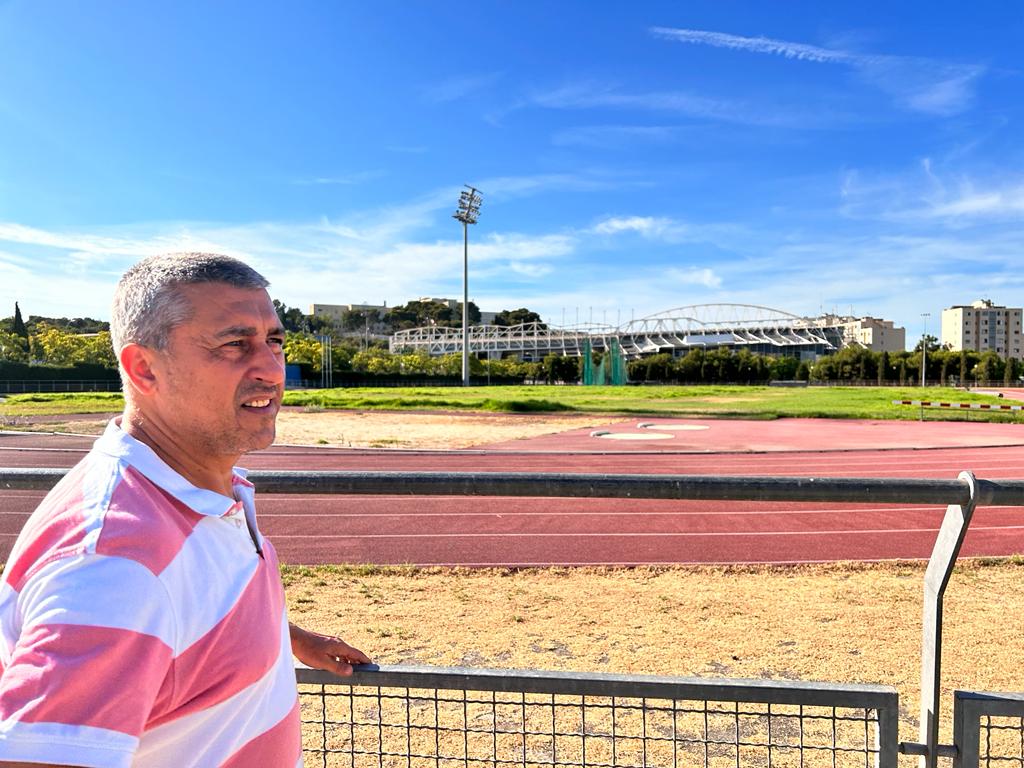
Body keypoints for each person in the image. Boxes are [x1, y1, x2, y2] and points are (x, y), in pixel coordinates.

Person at [0, 253, 370, 767]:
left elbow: (194, 607)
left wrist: (292, 640)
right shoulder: (113, 563)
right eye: (234, 344)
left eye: (275, 341)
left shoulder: (200, 489)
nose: (270, 367)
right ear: (144, 369)